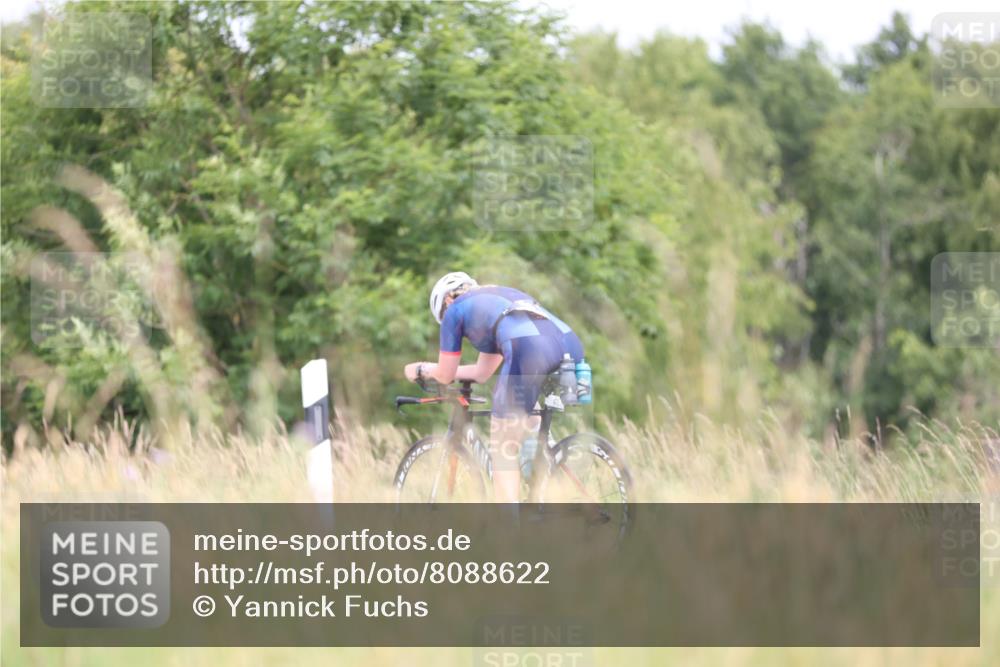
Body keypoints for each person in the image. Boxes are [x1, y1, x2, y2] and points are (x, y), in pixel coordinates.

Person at [404, 272, 584, 503]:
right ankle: (540, 466)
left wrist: (421, 369)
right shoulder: (491, 301)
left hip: (528, 348)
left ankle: (509, 533)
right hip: (567, 342)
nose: (446, 320)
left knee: (502, 451)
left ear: (448, 299)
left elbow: (445, 374)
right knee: (522, 412)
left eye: (442, 316)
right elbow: (481, 373)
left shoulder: (456, 308)